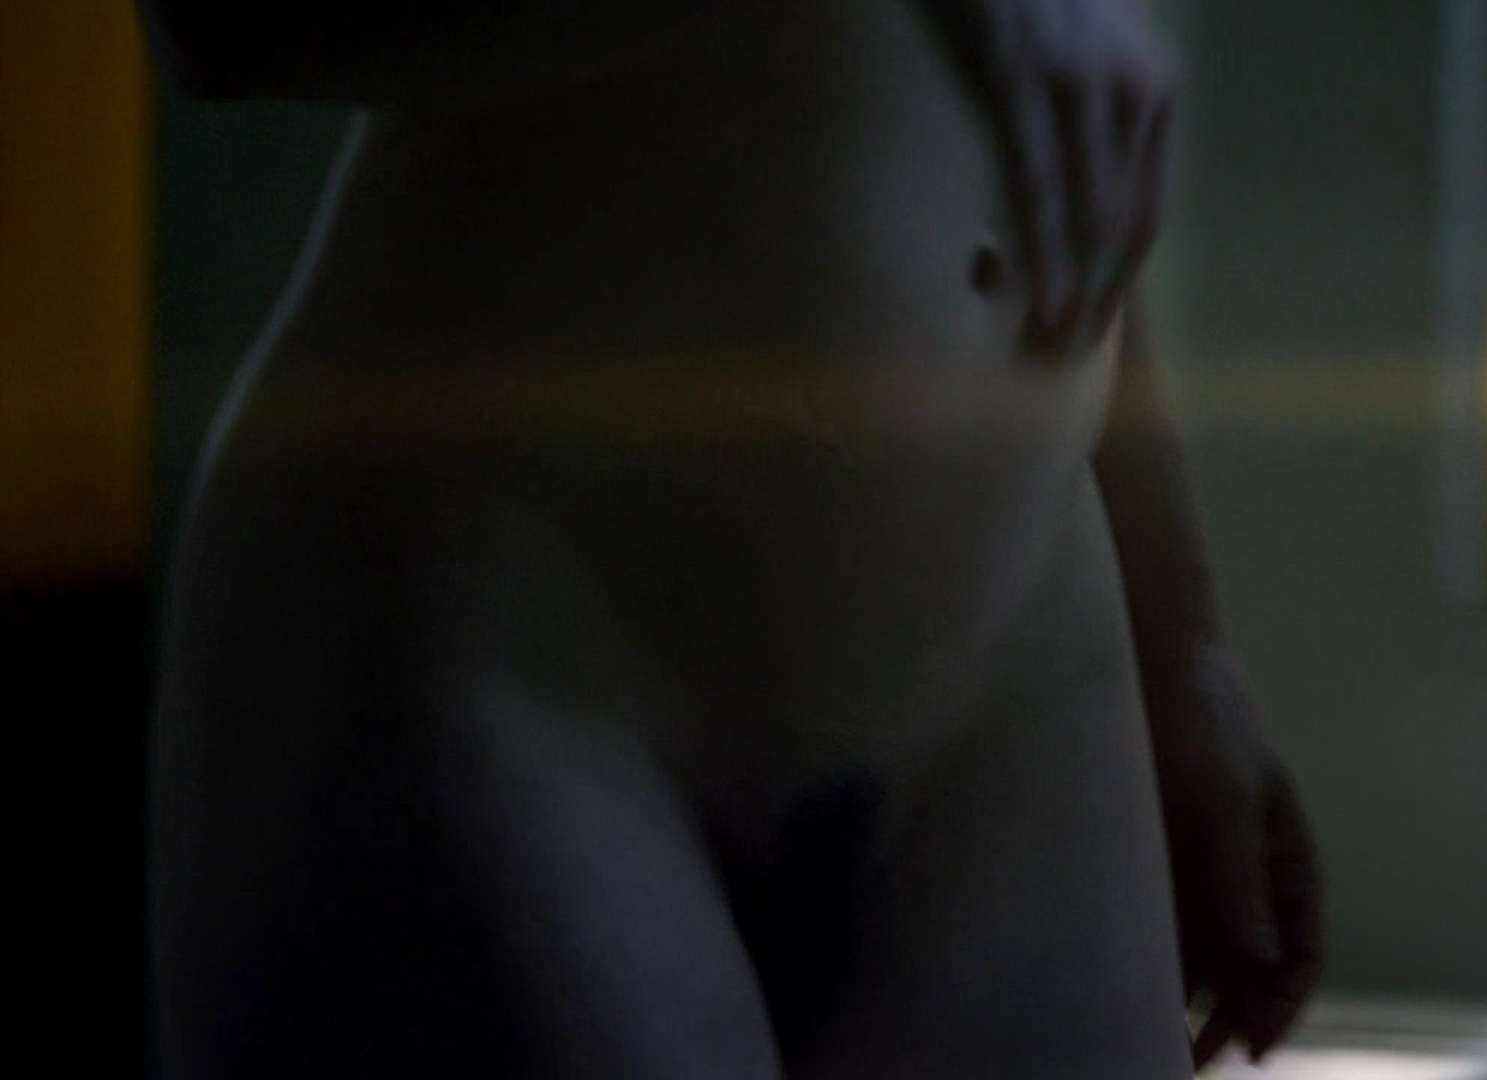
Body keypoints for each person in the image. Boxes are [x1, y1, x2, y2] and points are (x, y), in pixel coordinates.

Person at [141, 1, 1322, 1075]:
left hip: (1006, 678)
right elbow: (225, 26)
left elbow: (1061, 109)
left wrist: (1183, 634)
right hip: (519, 647)